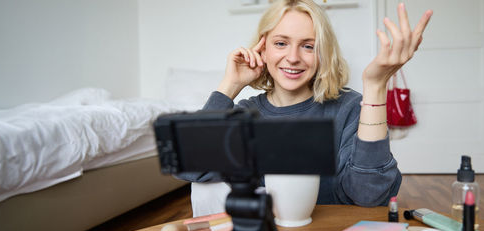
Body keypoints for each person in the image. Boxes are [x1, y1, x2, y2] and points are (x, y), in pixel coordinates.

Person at [184, 0, 432, 215]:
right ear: (263, 49)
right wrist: (230, 85)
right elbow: (192, 169)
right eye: (281, 43)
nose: (293, 57)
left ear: (323, 53)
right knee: (205, 186)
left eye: (308, 46)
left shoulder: (349, 108)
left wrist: (376, 86)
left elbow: (368, 195)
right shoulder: (243, 114)